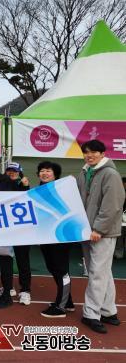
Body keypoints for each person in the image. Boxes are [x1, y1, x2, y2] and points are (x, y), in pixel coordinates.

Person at [77, 140, 125, 334]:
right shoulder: (84, 172)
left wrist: (99, 229)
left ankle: (91, 314)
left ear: (103, 153)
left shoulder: (110, 174)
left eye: (94, 152)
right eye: (86, 152)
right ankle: (108, 310)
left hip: (101, 233)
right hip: (87, 231)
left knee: (97, 273)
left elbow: (113, 205)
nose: (89, 155)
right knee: (102, 272)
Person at [37, 161, 75, 318]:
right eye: (42, 170)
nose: (44, 173)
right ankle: (68, 302)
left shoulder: (63, 190)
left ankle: (60, 307)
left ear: (55, 175)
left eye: (48, 171)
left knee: (61, 270)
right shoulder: (36, 191)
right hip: (45, 237)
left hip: (60, 237)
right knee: (53, 267)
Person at [1, 162, 31, 306]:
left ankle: (25, 290)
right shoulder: (2, 185)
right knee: (5, 259)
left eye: (15, 171)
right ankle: (8, 287)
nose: (12, 173)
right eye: (9, 170)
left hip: (22, 230)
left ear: (20, 172)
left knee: (22, 260)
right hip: (5, 228)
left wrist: (25, 186)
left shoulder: (24, 185)